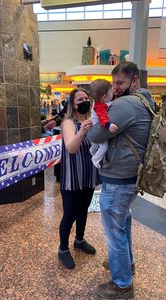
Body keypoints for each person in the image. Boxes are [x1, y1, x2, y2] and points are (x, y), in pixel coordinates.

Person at [87, 61, 155, 299]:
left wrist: (90, 126)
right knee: (123, 222)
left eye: (120, 83)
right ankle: (128, 263)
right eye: (113, 83)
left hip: (118, 179)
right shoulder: (146, 100)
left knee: (113, 231)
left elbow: (96, 133)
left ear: (135, 81)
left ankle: (122, 284)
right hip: (129, 175)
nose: (115, 88)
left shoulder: (126, 105)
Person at [58, 88, 99, 269]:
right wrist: (82, 131)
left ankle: (79, 240)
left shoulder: (92, 121)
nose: (84, 101)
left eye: (86, 98)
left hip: (88, 177)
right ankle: (63, 249)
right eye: (79, 99)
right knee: (70, 214)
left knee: (83, 210)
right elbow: (71, 148)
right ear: (73, 105)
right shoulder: (68, 123)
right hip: (72, 178)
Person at [90, 79, 118, 168]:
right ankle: (96, 159)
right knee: (103, 147)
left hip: (95, 127)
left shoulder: (99, 103)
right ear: (105, 97)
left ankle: (92, 151)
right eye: (111, 91)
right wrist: (108, 125)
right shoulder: (100, 107)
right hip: (100, 127)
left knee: (96, 144)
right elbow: (102, 118)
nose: (113, 92)